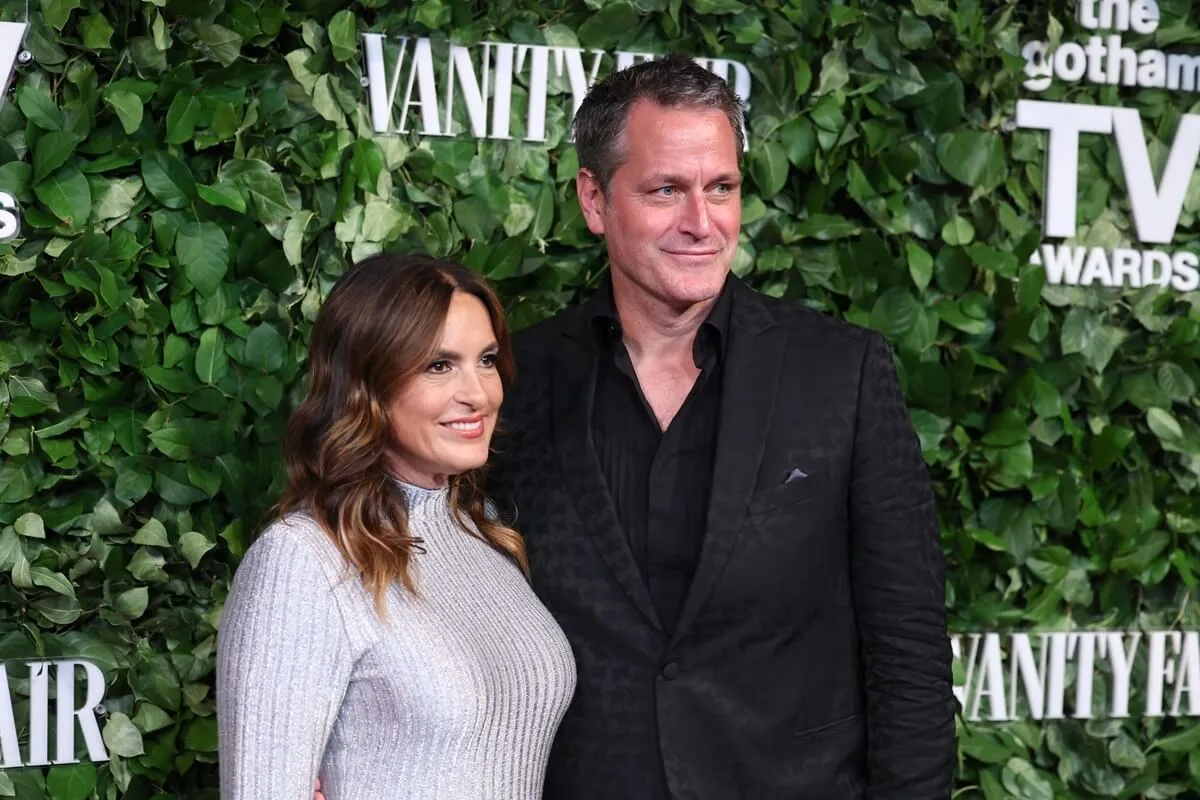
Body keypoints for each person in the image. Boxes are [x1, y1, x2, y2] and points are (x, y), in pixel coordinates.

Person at [485, 53, 956, 798]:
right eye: (666, 190)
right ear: (595, 199)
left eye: (722, 188)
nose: (701, 223)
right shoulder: (517, 380)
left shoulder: (841, 374)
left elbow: (909, 656)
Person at [216, 253, 576, 799]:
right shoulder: (303, 560)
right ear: (369, 383)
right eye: (439, 365)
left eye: (486, 360)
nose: (479, 393)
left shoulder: (485, 533)